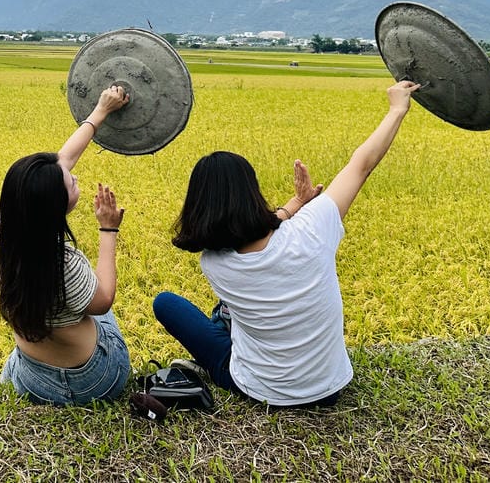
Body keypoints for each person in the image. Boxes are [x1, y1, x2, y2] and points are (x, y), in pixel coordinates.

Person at [154, 80, 421, 408]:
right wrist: (397, 109)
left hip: (261, 390)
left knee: (168, 304)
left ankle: (221, 343)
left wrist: (294, 204)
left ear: (197, 208)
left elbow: (247, 233)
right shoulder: (313, 226)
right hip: (329, 388)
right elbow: (361, 165)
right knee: (229, 311)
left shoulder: (214, 263)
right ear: (253, 193)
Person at [0, 84, 132, 405]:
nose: (75, 177)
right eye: (70, 181)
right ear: (55, 205)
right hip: (91, 381)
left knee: (44, 329)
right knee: (101, 314)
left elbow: (63, 159)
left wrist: (102, 110)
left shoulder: (9, 238)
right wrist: (108, 229)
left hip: (33, 378)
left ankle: (6, 384)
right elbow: (103, 301)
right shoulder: (61, 262)